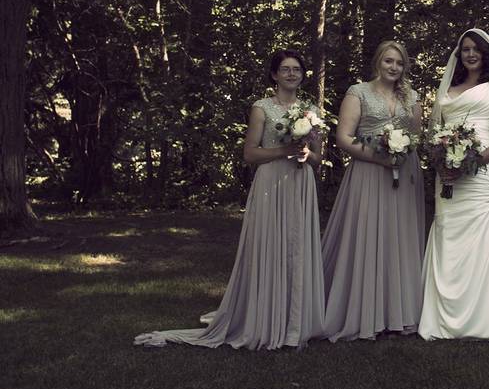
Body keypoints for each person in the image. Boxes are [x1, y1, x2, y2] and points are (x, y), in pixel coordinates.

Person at [135, 50, 326, 349]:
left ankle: (295, 322)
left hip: (301, 184)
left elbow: (318, 159)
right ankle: (264, 317)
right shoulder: (262, 108)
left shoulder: (311, 110)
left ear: (302, 74)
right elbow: (250, 154)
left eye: (297, 69)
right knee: (270, 246)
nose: (292, 74)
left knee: (297, 248)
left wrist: (307, 153)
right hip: (271, 183)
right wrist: (284, 151)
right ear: (274, 75)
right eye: (285, 69)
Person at [418, 29, 489, 344]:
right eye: (465, 50)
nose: (471, 54)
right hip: (448, 175)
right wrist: (442, 160)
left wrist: (468, 163)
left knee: (485, 238)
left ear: (487, 54)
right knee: (449, 232)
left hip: (483, 172)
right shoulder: (449, 87)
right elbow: (435, 130)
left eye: (476, 49)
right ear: (459, 54)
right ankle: (444, 318)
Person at [321, 41, 425, 341]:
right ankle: (366, 310)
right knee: (369, 235)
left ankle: (400, 312)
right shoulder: (359, 92)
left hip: (405, 174)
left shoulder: (413, 97)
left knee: (400, 237)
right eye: (389, 61)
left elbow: (415, 137)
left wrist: (401, 153)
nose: (394, 67)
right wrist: (379, 157)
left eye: (400, 63)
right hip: (368, 172)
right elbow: (343, 137)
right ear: (378, 62)